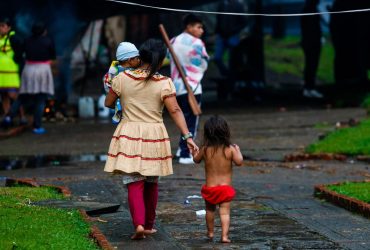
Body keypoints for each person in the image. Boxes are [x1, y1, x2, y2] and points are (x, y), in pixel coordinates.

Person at [104, 39, 199, 240]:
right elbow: (175, 110)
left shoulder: (121, 79)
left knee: (133, 181)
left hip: (129, 132)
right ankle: (148, 225)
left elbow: (108, 102)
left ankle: (138, 224)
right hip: (154, 135)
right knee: (151, 182)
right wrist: (187, 136)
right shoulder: (164, 82)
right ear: (160, 59)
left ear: (141, 55)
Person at [192, 115, 243, 243]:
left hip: (210, 189)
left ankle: (210, 233)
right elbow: (239, 162)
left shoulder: (205, 149)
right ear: (226, 132)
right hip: (225, 189)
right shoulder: (230, 149)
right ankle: (224, 236)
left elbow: (196, 160)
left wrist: (194, 151)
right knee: (224, 213)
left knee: (210, 210)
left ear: (207, 133)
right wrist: (238, 150)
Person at [169, 14, 209, 164]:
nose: (201, 30)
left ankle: (181, 149)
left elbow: (168, 58)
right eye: (198, 27)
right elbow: (203, 63)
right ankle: (186, 154)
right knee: (191, 121)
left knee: (182, 120)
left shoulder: (173, 41)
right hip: (192, 87)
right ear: (189, 27)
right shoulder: (197, 43)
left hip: (177, 87)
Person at [17, 21, 56, 134]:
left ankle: (7, 118)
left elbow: (20, 55)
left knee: (22, 97)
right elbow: (53, 56)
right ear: (44, 31)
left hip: (28, 69)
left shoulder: (27, 40)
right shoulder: (48, 41)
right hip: (42, 70)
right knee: (40, 99)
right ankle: (37, 126)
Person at [103, 42, 141, 124]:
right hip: (136, 117)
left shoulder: (109, 75)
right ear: (130, 60)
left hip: (123, 118)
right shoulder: (133, 75)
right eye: (137, 58)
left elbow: (109, 102)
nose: (139, 60)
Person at [0, 17, 23, 123]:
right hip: (1, 75)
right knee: (4, 96)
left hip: (12, 74)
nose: (0, 28)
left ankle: (22, 117)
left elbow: (20, 53)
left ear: (9, 27)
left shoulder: (14, 38)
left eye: (2, 26)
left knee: (13, 95)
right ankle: (7, 117)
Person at [301, 0, 324, 98]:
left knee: (311, 65)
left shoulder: (312, 9)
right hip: (311, 43)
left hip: (312, 42)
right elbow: (310, 28)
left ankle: (309, 87)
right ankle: (309, 88)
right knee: (311, 65)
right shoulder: (309, 10)